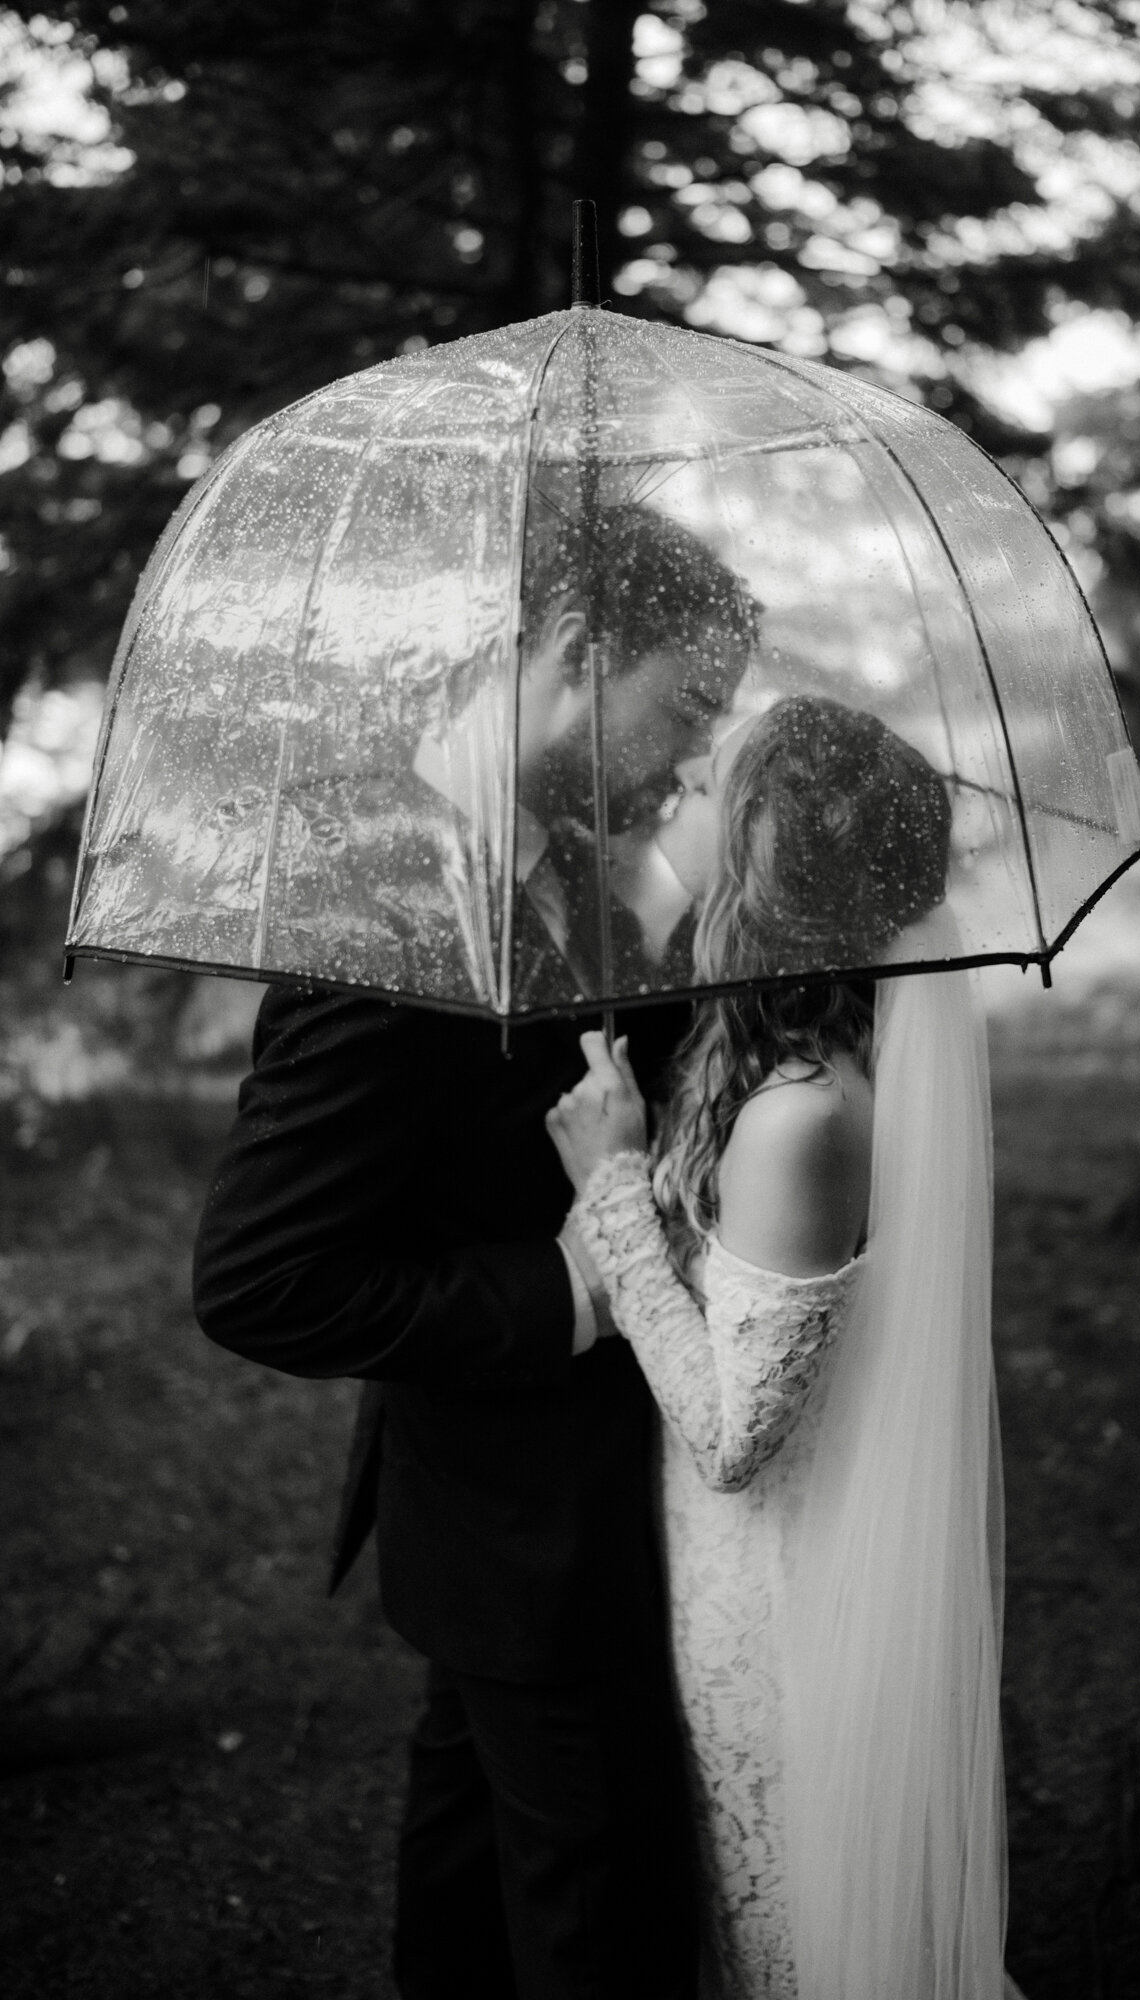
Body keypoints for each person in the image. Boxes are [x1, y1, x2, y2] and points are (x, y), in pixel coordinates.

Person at [192, 504, 756, 2000]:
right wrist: (571, 1289)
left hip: (541, 1516)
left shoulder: (569, 851)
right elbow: (261, 1278)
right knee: (604, 1923)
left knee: (472, 1894)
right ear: (581, 651)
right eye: (690, 707)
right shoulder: (373, 899)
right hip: (519, 1523)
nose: (697, 755)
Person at [548, 694, 1017, 1999]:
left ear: (758, 860)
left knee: (791, 1940)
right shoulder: (791, 1053)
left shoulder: (801, 1117)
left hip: (781, 1594)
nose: (682, 776)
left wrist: (614, 1189)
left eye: (709, 786)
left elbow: (735, 1435)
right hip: (741, 1563)